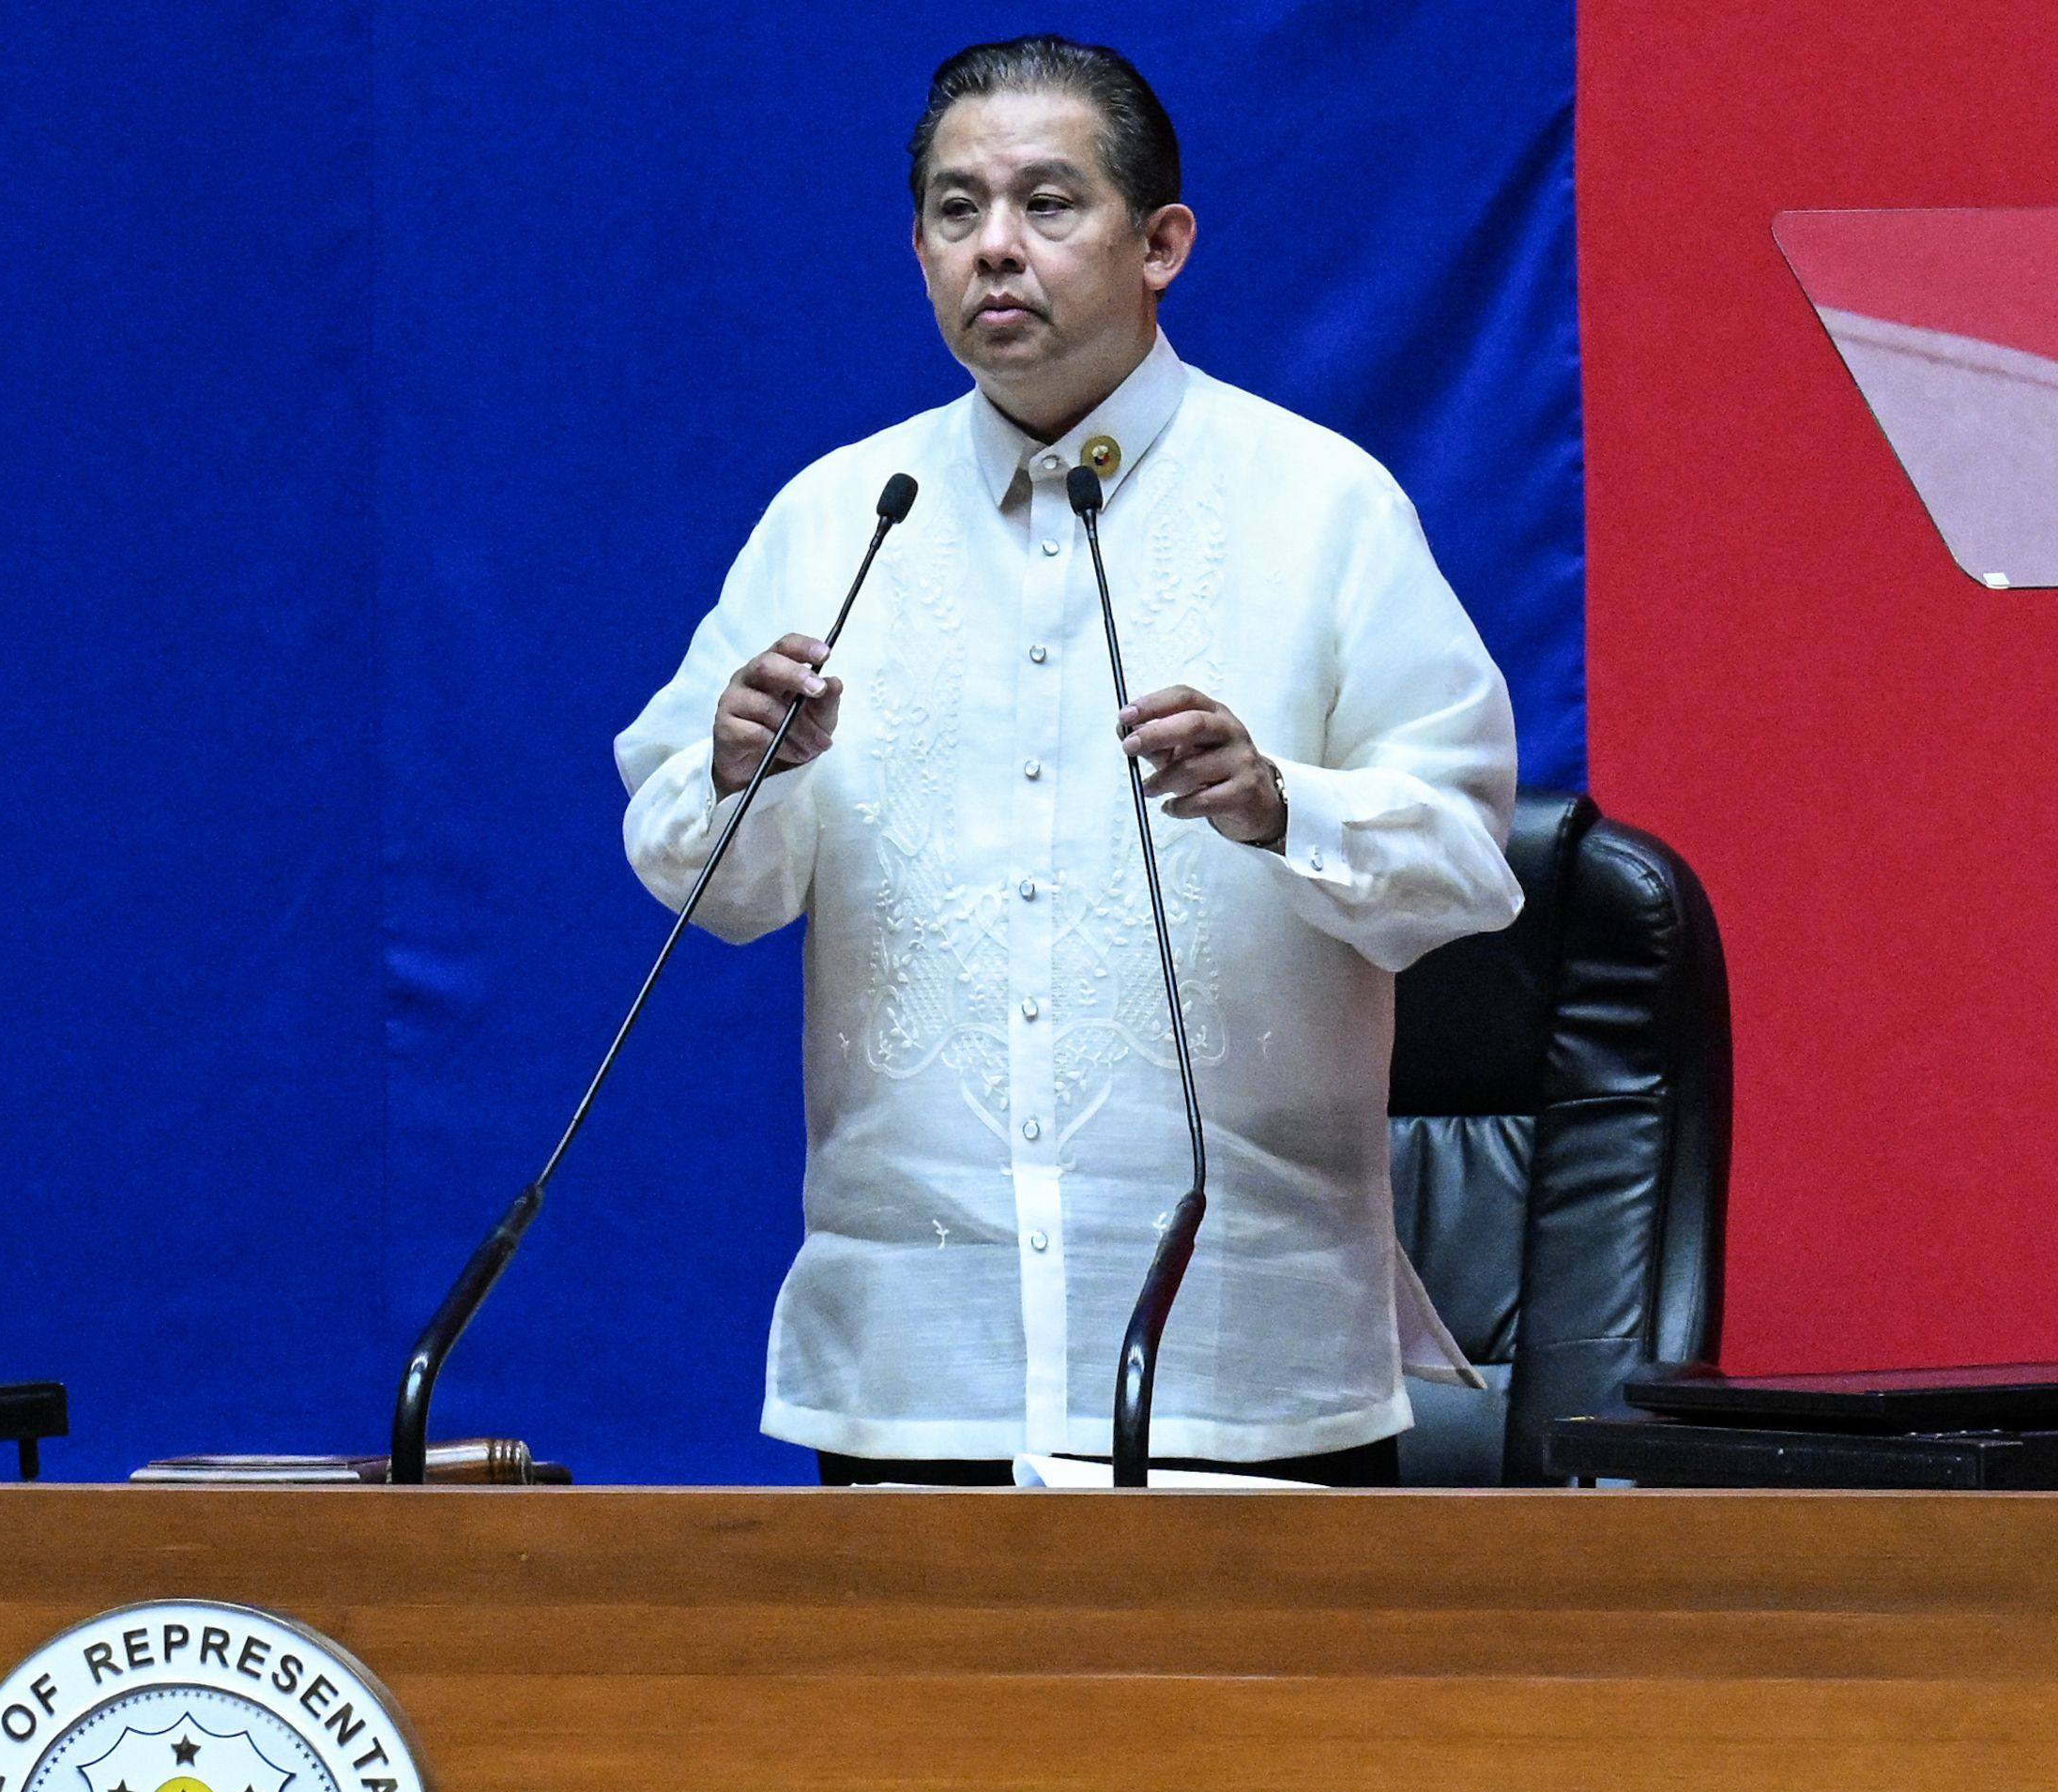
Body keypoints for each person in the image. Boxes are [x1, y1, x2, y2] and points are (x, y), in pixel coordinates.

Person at [616, 36, 1522, 1486]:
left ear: (1159, 242)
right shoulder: (843, 515)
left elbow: (1466, 869)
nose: (995, 251)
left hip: (1244, 1361)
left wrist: (1285, 803)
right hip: (915, 1364)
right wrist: (737, 773)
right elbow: (708, 882)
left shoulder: (1320, 507)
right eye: (955, 211)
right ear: (913, 248)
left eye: (1048, 204)